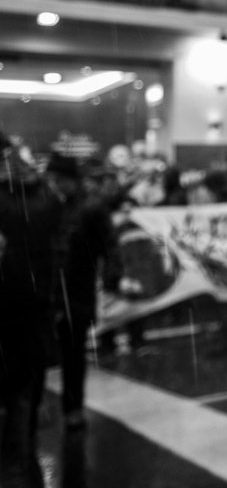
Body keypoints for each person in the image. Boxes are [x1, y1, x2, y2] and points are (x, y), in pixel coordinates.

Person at [0, 133, 63, 487]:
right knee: (23, 400)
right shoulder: (39, 198)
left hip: (17, 316)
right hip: (29, 316)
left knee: (20, 403)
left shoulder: (20, 202)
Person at [44, 154, 116, 431]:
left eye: (58, 180)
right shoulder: (51, 207)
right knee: (52, 352)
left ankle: (72, 408)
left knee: (73, 354)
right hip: (51, 293)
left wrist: (112, 278)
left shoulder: (91, 209)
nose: (53, 185)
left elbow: (109, 246)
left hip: (77, 293)